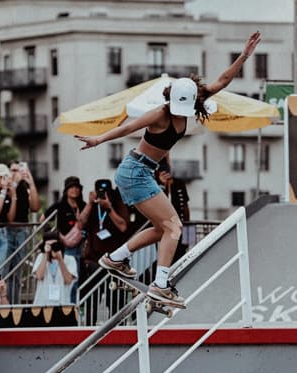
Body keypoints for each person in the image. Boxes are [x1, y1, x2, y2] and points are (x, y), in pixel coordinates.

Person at [75, 31, 262, 307]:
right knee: (174, 227)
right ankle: (160, 284)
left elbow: (223, 80)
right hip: (134, 171)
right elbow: (128, 127)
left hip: (142, 172)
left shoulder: (196, 98)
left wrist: (244, 55)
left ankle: (116, 258)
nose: (178, 112)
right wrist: (98, 139)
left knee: (163, 228)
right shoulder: (159, 114)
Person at [79, 179, 129, 324]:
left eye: (106, 192)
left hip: (114, 262)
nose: (103, 195)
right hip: (94, 261)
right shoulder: (92, 206)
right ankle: (89, 329)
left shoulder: (118, 204)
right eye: (100, 192)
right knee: (92, 301)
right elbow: (80, 223)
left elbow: (123, 226)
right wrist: (90, 203)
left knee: (116, 302)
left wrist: (109, 208)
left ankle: (118, 329)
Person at [40, 175, 86, 302]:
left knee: (80, 276)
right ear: (66, 190)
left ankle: (77, 303)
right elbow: (43, 219)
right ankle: (70, 302)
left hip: (82, 245)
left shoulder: (83, 205)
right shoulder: (60, 205)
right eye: (71, 187)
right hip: (65, 245)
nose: (74, 190)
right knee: (70, 274)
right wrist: (55, 234)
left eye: (77, 187)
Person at [4, 160, 40, 303]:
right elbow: (4, 200)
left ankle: (14, 303)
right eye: (13, 170)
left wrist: (31, 182)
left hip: (22, 231)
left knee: (17, 271)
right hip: (6, 231)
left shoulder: (25, 188)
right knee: (5, 270)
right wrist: (14, 183)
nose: (16, 173)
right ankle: (3, 303)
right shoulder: (5, 186)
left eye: (18, 170)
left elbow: (35, 207)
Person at [155, 159, 191, 263]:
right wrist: (162, 185)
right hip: (165, 228)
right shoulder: (156, 185)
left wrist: (189, 235)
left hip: (180, 226)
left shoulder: (179, 183)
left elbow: (185, 207)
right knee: (165, 256)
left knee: (181, 255)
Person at [32, 231, 77, 306]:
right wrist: (46, 254)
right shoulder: (41, 257)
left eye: (55, 245)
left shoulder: (70, 259)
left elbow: (68, 280)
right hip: (42, 303)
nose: (52, 247)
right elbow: (39, 276)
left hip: (62, 303)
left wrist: (60, 259)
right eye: (49, 245)